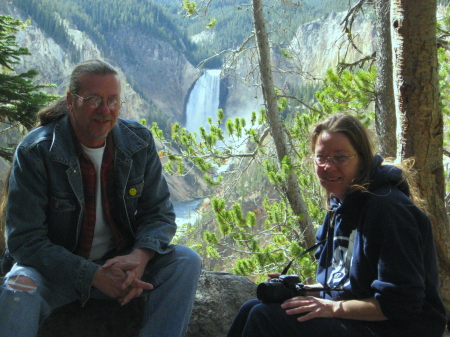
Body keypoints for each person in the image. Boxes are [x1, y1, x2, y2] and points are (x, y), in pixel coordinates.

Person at [0, 58, 202, 337]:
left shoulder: (138, 142)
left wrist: (138, 258)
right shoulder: (37, 152)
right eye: (94, 99)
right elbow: (24, 240)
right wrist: (91, 275)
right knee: (18, 287)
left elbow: (159, 214)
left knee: (185, 261)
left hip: (121, 265)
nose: (105, 110)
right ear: (71, 101)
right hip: (57, 272)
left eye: (113, 100)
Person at [227, 113, 447, 337]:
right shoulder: (339, 205)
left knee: (265, 317)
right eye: (321, 157)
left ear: (362, 158)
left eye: (340, 157)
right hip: (359, 321)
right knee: (252, 308)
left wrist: (333, 308)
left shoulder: (389, 210)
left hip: (396, 328)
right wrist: (296, 290)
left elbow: (401, 303)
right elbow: (344, 283)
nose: (328, 166)